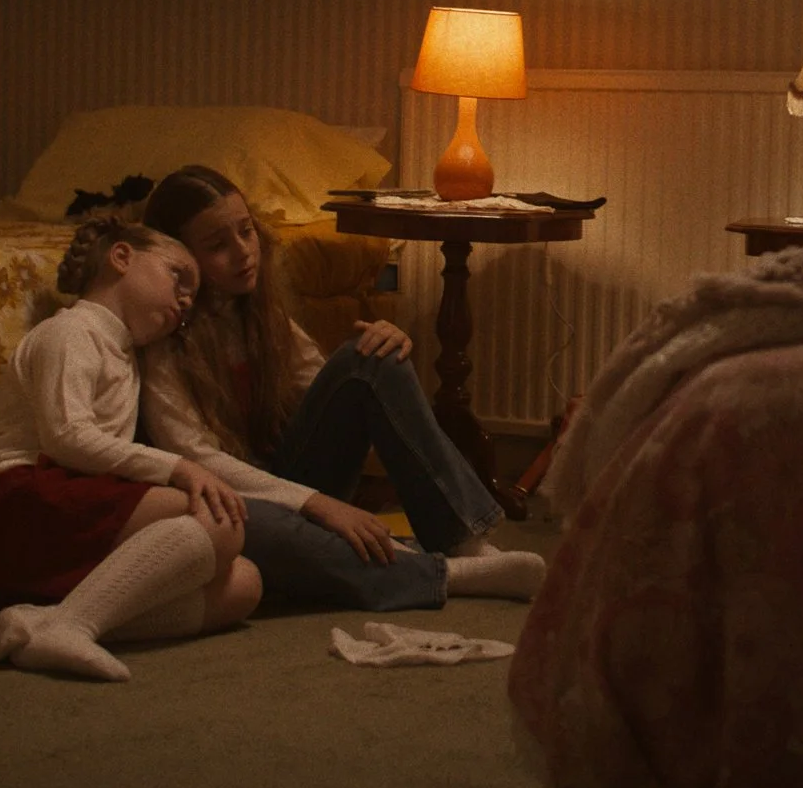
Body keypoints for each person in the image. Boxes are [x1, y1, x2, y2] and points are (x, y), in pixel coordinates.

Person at [138, 164, 545, 610]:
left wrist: (387, 350)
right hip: (229, 497)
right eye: (218, 245)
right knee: (247, 527)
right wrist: (317, 504)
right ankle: (445, 575)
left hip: (289, 477)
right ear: (179, 260)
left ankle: (464, 543)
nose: (243, 252)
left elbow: (327, 392)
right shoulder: (162, 337)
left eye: (246, 231)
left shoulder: (257, 310)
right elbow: (197, 461)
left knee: (371, 359)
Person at [0, 217, 262, 681]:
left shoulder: (126, 355)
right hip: (15, 506)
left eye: (192, 295)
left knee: (243, 586)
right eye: (178, 277)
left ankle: (44, 623)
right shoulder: (73, 330)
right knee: (220, 522)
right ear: (121, 257)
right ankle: (72, 625)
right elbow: (67, 437)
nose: (186, 300)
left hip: (64, 517)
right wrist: (178, 467)